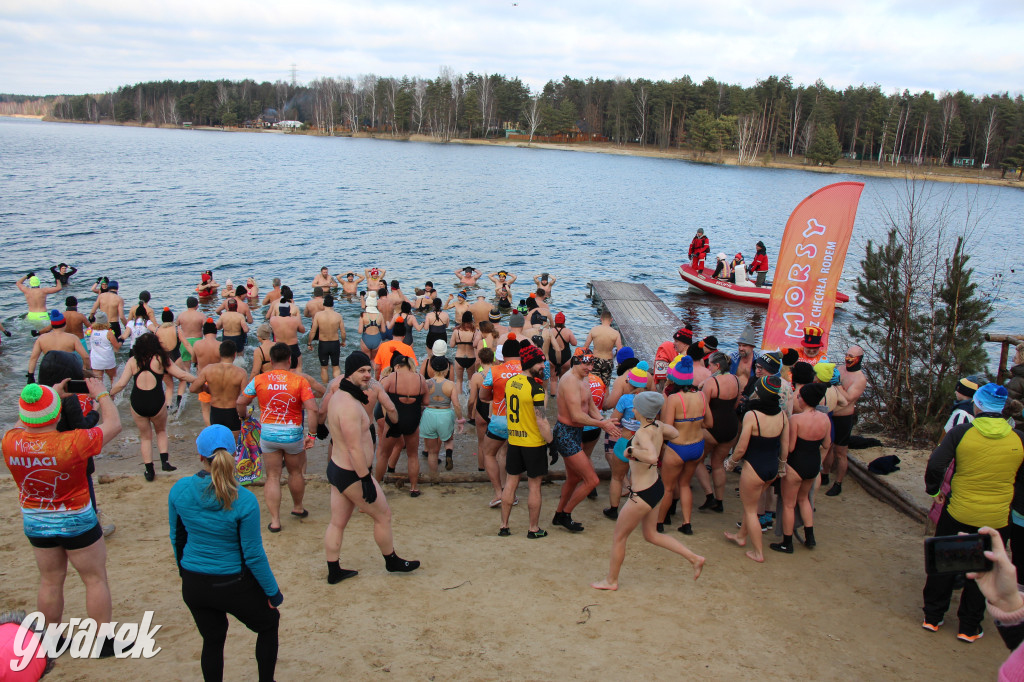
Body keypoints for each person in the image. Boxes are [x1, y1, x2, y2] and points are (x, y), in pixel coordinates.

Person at [2, 379, 122, 656]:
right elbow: (114, 425)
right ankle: (103, 643)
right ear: (57, 414)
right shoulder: (72, 442)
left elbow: (24, 423)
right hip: (76, 519)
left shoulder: (10, 442)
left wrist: (48, 396)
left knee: (50, 580)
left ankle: (49, 641)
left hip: (36, 521)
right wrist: (101, 394)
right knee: (94, 578)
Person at [168, 425, 282, 682]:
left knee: (213, 638)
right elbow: (253, 554)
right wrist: (272, 592)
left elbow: (177, 537)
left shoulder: (179, 490)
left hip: (195, 583)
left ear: (200, 456)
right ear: (235, 455)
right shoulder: (243, 499)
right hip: (231, 582)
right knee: (268, 622)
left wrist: (183, 573)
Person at [922, 383, 1024, 641]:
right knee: (983, 572)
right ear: (1001, 409)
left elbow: (935, 464)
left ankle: (933, 617)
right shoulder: (1018, 438)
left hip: (959, 510)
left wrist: (935, 491)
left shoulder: (962, 432)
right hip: (997, 516)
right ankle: (969, 627)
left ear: (977, 405)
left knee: (945, 562)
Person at [591, 392, 705, 590]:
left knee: (619, 537)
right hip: (656, 488)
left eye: (635, 407)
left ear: (641, 412)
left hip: (641, 495)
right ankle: (694, 558)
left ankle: (611, 581)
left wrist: (631, 451)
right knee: (651, 535)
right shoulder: (658, 426)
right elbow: (675, 433)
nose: (633, 409)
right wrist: (658, 434)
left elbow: (652, 457)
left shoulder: (643, 433)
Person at [324, 351, 419, 583]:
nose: (367, 375)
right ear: (349, 373)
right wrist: (366, 479)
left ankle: (334, 570)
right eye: (362, 371)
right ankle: (391, 560)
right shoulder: (348, 406)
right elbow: (354, 448)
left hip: (337, 468)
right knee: (383, 515)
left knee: (338, 522)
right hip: (352, 472)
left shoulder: (343, 394)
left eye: (368, 370)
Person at [236, 343, 318, 532]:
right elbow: (313, 409)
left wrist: (244, 417)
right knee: (295, 473)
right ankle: (297, 507)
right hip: (292, 435)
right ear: (290, 360)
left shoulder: (259, 380)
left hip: (268, 434)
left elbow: (241, 401)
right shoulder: (299, 381)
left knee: (272, 476)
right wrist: (311, 435)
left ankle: (275, 521)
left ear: (271, 361)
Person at [110, 332, 196, 480]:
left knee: (145, 437)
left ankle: (149, 471)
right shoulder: (161, 359)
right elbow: (181, 375)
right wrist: (201, 379)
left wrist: (106, 394)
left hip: (138, 402)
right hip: (156, 401)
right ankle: (165, 463)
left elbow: (121, 384)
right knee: (161, 431)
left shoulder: (133, 361)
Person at [552, 349, 620, 532]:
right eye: (586, 364)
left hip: (575, 433)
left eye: (591, 364)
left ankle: (559, 515)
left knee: (574, 479)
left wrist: (604, 421)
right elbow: (575, 416)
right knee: (592, 480)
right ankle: (566, 514)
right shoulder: (569, 381)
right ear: (576, 362)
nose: (589, 368)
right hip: (565, 433)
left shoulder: (585, 379)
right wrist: (601, 424)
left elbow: (590, 406)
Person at [724, 375, 789, 563]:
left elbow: (742, 447)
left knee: (751, 510)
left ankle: (758, 552)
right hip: (771, 467)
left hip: (754, 467)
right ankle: (741, 536)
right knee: (750, 504)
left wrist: (731, 462)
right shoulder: (782, 415)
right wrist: (782, 467)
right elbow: (784, 446)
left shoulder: (752, 416)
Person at [497, 343, 552, 538]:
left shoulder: (511, 382)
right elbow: (542, 420)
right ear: (529, 362)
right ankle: (533, 528)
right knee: (534, 486)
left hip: (514, 441)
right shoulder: (536, 388)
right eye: (539, 362)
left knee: (511, 483)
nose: (543, 366)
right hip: (533, 443)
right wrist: (552, 443)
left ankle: (504, 526)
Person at [770, 383, 831, 553]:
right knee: (804, 500)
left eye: (800, 396)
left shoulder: (795, 419)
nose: (798, 398)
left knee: (789, 504)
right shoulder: (825, 418)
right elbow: (826, 443)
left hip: (796, 464)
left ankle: (787, 542)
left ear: (805, 399)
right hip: (813, 462)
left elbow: (789, 448)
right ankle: (809, 536)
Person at [658, 356, 711, 535]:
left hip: (677, 446)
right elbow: (709, 423)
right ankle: (687, 524)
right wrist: (695, 422)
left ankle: (659, 523)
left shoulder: (674, 399)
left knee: (667, 487)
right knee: (685, 484)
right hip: (697, 446)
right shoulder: (702, 396)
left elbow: (668, 427)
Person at [480, 339, 523, 506]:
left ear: (503, 355)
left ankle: (499, 493)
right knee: (514, 455)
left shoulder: (495, 370)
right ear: (520, 353)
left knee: (489, 453)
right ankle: (511, 493)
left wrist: (497, 396)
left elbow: (483, 397)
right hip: (522, 421)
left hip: (500, 420)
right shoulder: (527, 370)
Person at [377, 353, 428, 495]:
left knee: (383, 455)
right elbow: (426, 401)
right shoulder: (420, 378)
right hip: (413, 418)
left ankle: (376, 487)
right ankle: (414, 488)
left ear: (397, 366)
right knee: (413, 455)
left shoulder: (392, 377)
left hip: (394, 420)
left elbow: (379, 394)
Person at [604, 361, 648, 520]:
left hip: (625, 441)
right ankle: (638, 510)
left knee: (617, 477)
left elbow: (614, 420)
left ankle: (613, 509)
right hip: (644, 444)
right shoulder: (652, 400)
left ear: (630, 382)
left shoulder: (625, 399)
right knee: (641, 479)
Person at [823, 345, 868, 496]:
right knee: (827, 446)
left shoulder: (860, 379)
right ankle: (825, 474)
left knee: (840, 452)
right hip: (830, 414)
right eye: (847, 355)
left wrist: (838, 383)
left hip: (844, 418)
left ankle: (838, 483)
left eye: (852, 356)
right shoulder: (839, 369)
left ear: (859, 359)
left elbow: (848, 399)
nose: (848, 358)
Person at [699, 351, 741, 514]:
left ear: (717, 366)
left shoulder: (711, 382)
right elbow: (736, 404)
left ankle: (709, 495)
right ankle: (719, 501)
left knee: (698, 461)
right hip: (731, 426)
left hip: (712, 427)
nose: (708, 367)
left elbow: (703, 407)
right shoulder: (736, 380)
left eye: (709, 364)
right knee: (718, 464)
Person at [192, 341, 249, 438]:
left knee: (218, 446)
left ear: (220, 353)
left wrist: (206, 389)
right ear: (234, 354)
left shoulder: (208, 369)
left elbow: (193, 388)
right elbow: (244, 398)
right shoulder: (241, 373)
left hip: (215, 412)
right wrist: (244, 415)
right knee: (233, 448)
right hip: (233, 413)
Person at [422, 356, 464, 474]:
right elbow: (456, 405)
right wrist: (460, 419)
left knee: (432, 452)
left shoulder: (426, 383)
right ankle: (448, 454)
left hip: (429, 413)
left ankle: (434, 478)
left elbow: (421, 402)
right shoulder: (450, 384)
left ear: (432, 368)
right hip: (445, 413)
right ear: (446, 369)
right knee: (449, 439)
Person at [27, 310, 92, 383]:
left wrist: (30, 376)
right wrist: (88, 371)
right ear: (65, 324)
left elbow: (33, 358)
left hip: (48, 371)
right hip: (67, 371)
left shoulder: (41, 338)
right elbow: (85, 357)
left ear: (52, 325)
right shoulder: (72, 338)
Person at [308, 294, 347, 383]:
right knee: (336, 366)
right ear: (333, 304)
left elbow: (313, 331)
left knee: (324, 368)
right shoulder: (338, 315)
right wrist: (343, 341)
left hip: (323, 344)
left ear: (324, 304)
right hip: (334, 343)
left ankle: (326, 388)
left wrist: (309, 343)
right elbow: (343, 332)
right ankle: (337, 387)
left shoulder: (318, 315)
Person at [583, 309, 622, 390]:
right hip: (607, 361)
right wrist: (620, 365)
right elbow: (620, 351)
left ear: (601, 319)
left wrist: (583, 363)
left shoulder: (594, 330)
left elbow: (585, 347)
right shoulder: (615, 333)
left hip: (595, 360)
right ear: (611, 320)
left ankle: (593, 402)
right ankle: (605, 402)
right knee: (605, 387)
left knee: (593, 385)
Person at [268, 299, 306, 371]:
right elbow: (303, 331)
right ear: (288, 310)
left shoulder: (273, 320)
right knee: (297, 368)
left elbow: (272, 329)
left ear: (279, 310)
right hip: (293, 347)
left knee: (281, 369)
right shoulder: (295, 320)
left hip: (279, 348)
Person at [88, 311, 123, 386]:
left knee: (98, 382)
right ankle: (113, 396)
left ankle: (100, 396)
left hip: (96, 361)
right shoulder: (108, 333)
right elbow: (116, 346)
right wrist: (121, 340)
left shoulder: (91, 332)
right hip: (107, 360)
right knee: (113, 379)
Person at [450, 311, 480, 395]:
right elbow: (477, 345)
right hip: (471, 358)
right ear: (471, 320)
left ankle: (460, 399)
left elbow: (451, 345)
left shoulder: (456, 332)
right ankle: (470, 398)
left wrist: (458, 341)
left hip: (459, 358)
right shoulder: (475, 331)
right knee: (471, 380)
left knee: (459, 380)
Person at [545, 312, 576, 393]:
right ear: (564, 321)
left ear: (555, 321)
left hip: (552, 357)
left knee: (553, 379)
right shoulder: (568, 331)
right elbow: (574, 343)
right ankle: (563, 398)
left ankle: (552, 397)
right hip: (565, 358)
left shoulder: (550, 331)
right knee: (563, 379)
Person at [730, 326, 761, 395]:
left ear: (752, 347)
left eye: (744, 346)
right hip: (733, 394)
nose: (741, 348)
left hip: (750, 396)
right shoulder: (732, 358)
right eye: (739, 345)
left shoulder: (759, 361)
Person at [358, 292, 385, 358]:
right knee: (374, 361)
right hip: (377, 339)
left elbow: (360, 331)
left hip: (366, 339)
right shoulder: (380, 315)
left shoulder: (363, 315)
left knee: (366, 360)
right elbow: (383, 330)